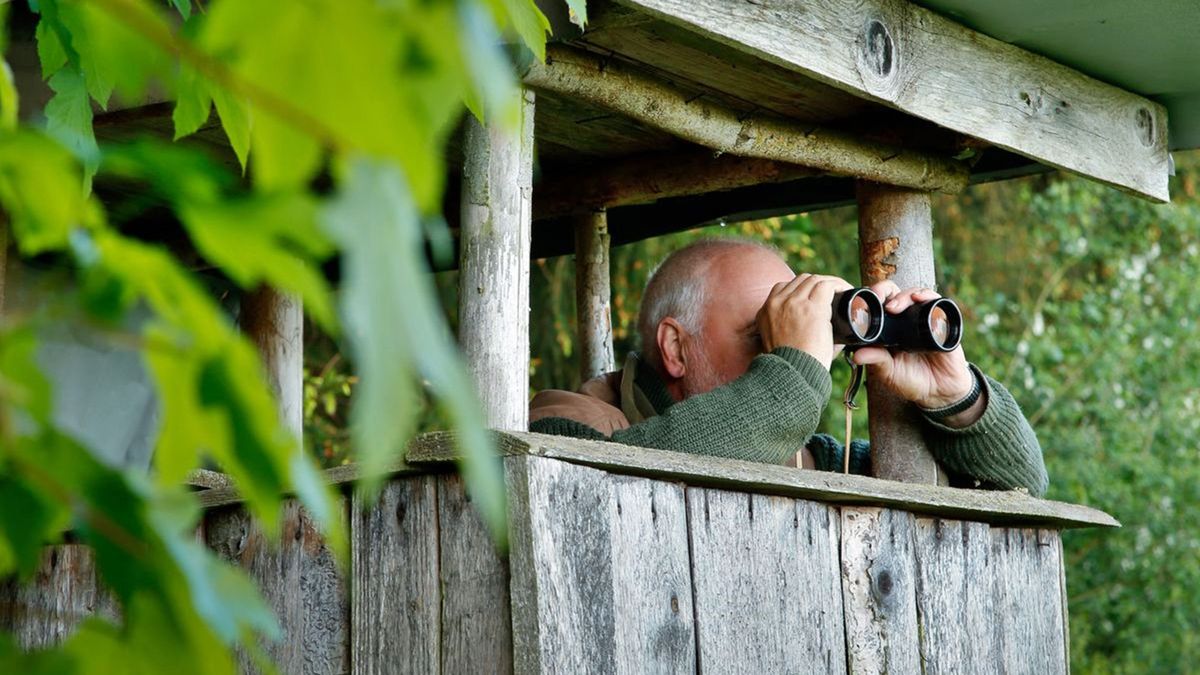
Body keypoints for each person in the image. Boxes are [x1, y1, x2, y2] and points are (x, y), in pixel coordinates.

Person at [529, 239, 1048, 497]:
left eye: (799, 332)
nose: (791, 352)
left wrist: (956, 399)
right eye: (765, 334)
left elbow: (1020, 489)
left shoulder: (806, 457)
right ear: (675, 347)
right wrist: (795, 376)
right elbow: (602, 491)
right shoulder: (570, 423)